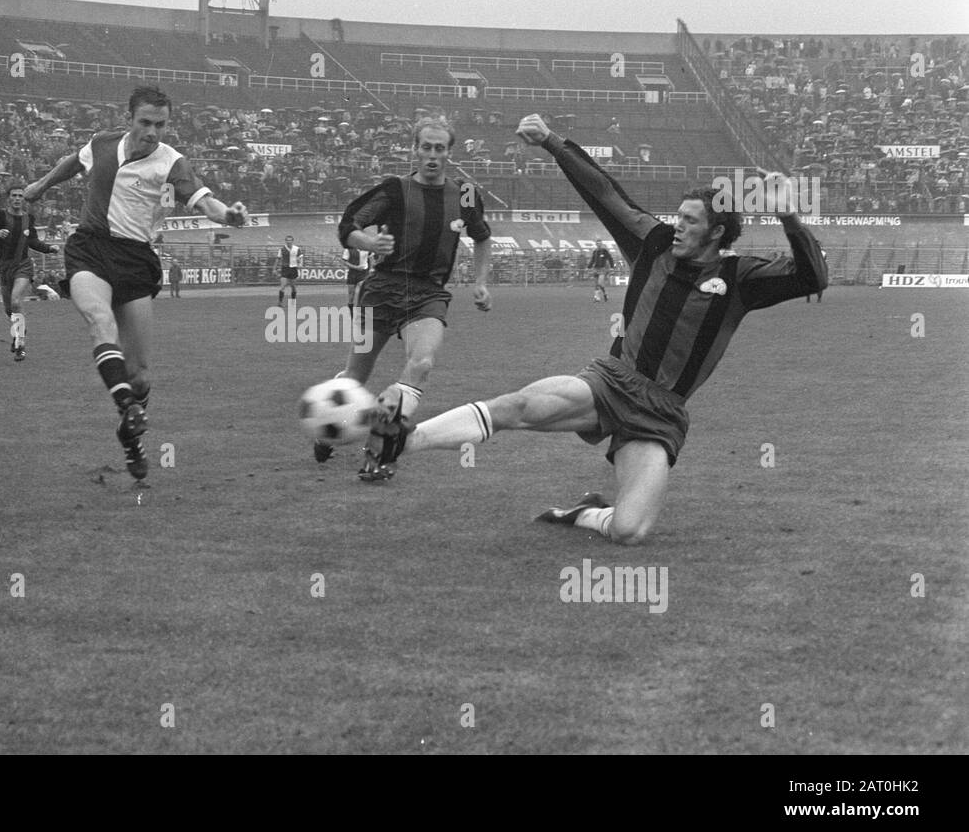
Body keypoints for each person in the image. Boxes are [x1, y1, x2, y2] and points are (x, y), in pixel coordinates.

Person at [366, 113, 827, 544]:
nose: (677, 225)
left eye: (690, 221)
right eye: (678, 217)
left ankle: (583, 513)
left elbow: (813, 277)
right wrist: (551, 142)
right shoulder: (654, 243)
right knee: (519, 406)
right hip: (611, 382)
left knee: (630, 531)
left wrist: (789, 216)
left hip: (661, 414)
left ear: (716, 234)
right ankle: (406, 440)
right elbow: (605, 192)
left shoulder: (739, 278)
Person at [23, 85, 247, 480]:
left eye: (160, 124)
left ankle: (130, 430)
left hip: (135, 260)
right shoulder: (102, 143)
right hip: (90, 248)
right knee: (98, 320)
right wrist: (41, 186)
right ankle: (126, 404)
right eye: (145, 122)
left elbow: (203, 200)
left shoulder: (171, 162)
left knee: (141, 373)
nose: (152, 132)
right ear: (128, 119)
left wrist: (228, 215)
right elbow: (72, 162)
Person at [317, 114, 493, 479]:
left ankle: (381, 450)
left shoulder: (465, 194)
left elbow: (482, 237)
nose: (432, 155)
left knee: (422, 363)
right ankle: (327, 423)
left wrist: (481, 281)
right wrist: (368, 241)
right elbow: (348, 224)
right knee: (355, 376)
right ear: (415, 150)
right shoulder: (394, 190)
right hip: (382, 289)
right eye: (425, 147)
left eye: (439, 148)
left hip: (428, 293)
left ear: (449, 152)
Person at [0, 186, 58, 361]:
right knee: (9, 309)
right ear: (9, 199)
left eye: (21, 196)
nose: (17, 198)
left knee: (15, 301)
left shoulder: (29, 219)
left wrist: (49, 248)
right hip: (5, 267)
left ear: (24, 200)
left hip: (23, 265)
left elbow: (33, 241)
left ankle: (20, 344)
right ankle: (19, 331)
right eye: (14, 196)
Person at [342, 243, 371, 318]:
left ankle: (363, 312)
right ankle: (351, 312)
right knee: (351, 295)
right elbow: (344, 262)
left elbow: (372, 257)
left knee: (363, 290)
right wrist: (356, 267)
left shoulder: (367, 248)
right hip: (352, 273)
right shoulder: (348, 249)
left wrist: (370, 269)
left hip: (363, 273)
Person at [277, 235, 301, 305]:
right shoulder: (282, 249)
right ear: (286, 241)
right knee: (283, 286)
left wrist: (299, 261)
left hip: (293, 269)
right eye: (287, 240)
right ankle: (280, 302)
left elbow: (300, 257)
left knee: (293, 287)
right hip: (285, 268)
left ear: (292, 241)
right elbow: (278, 259)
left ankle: (293, 302)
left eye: (290, 240)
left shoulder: (297, 249)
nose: (289, 241)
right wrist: (275, 268)